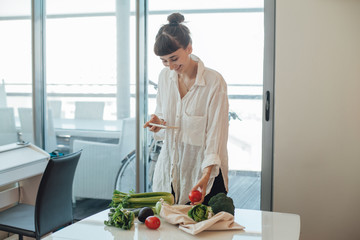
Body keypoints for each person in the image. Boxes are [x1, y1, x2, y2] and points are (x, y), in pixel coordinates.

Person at [144, 13, 229, 205]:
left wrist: (206, 174)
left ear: (189, 48)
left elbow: (216, 135)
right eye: (164, 61)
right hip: (170, 173)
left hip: (203, 175)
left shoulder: (214, 82)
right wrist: (158, 124)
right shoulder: (164, 77)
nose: (171, 66)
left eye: (174, 58)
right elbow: (165, 120)